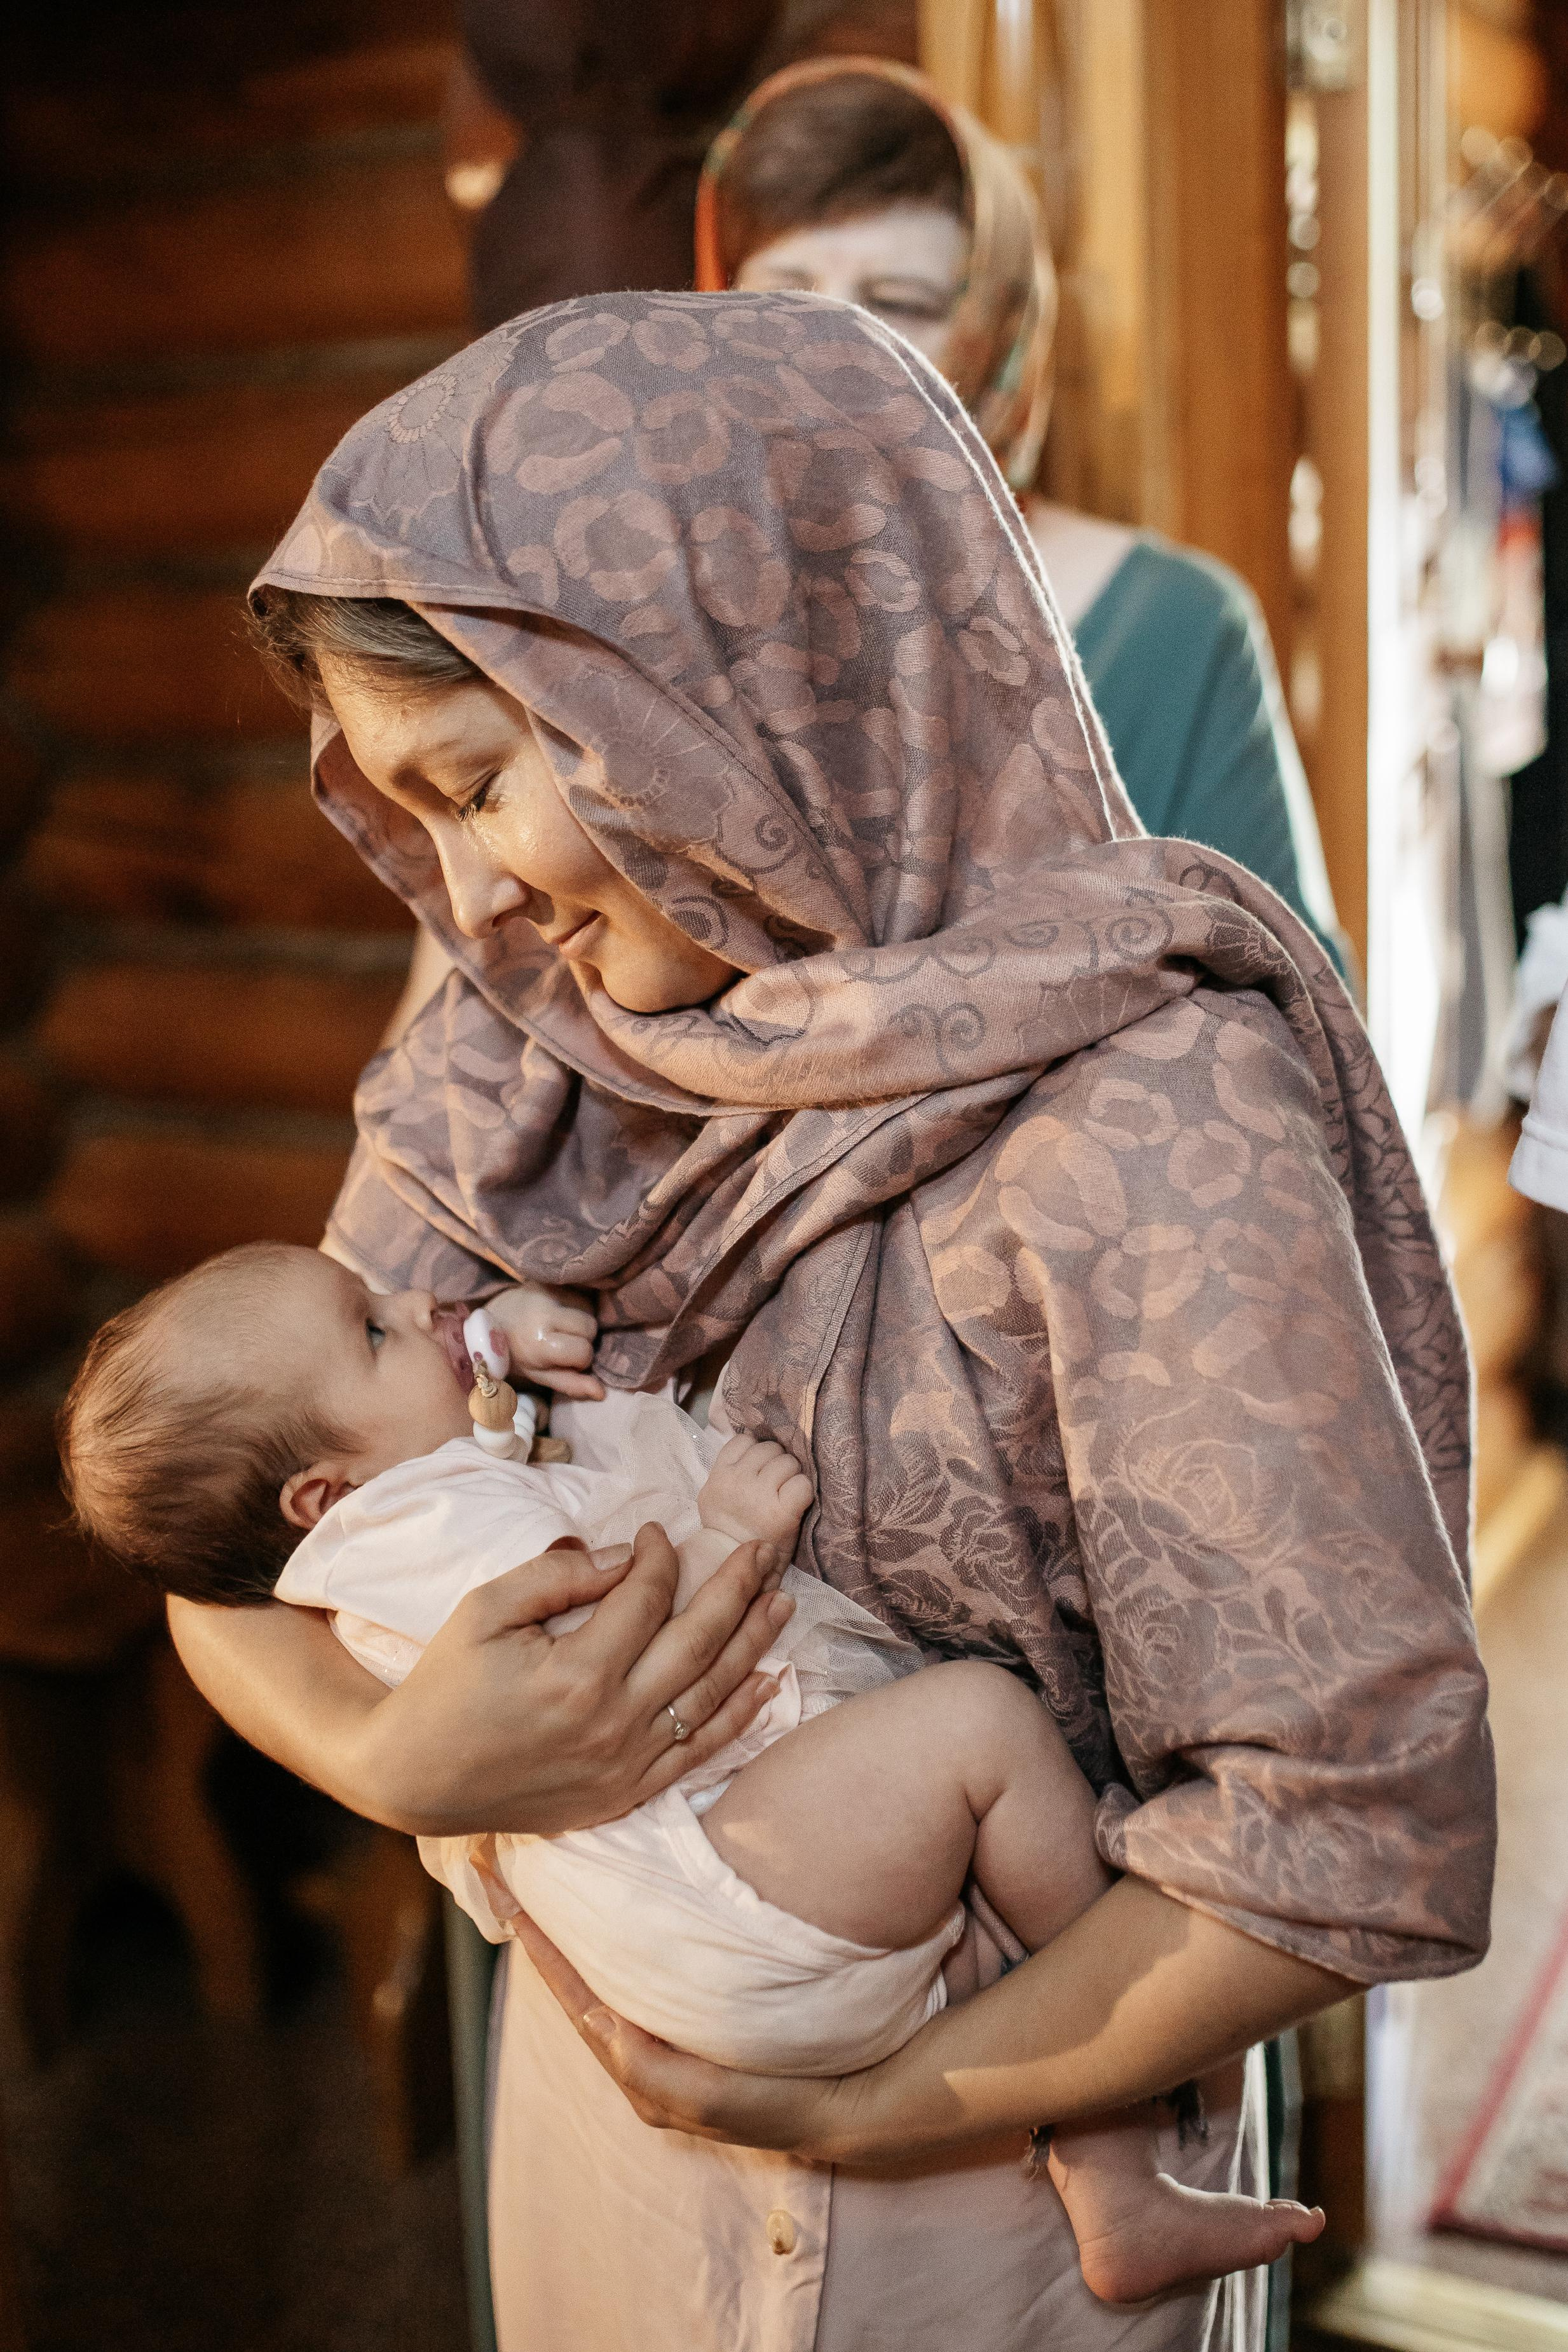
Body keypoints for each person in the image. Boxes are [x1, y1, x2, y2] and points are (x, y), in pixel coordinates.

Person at [165, 291, 1491, 2352]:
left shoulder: (1145, 1111)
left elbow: (1338, 1829)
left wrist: (874, 2102)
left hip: (1007, 2209)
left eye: (482, 782)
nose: (467, 895)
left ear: (715, 689)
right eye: (409, 807)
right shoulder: (515, 1043)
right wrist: (395, 1752)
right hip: (603, 2153)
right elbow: (235, 1528)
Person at [63, 1240, 1328, 2306]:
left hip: (701, 1931)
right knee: (984, 1730)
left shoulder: (382, 1509)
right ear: (320, 1495)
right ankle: (1111, 2146)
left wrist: (481, 1340)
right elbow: (636, 1647)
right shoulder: (427, 1531)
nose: (417, 1303)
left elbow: (459, 1427)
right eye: (379, 1330)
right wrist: (728, 1531)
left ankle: (1108, 2171)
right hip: (719, 1883)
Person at [695, 57, 1347, 966]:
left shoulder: (1173, 629)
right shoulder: (650, 607)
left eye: (899, 302)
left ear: (995, 332)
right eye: (782, 291)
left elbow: (1295, 1017)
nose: (827, 341)